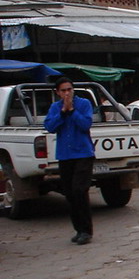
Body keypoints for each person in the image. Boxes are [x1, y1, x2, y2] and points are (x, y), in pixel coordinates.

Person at [43, 76, 95, 245]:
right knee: (70, 193)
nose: (67, 93)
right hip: (65, 155)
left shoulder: (84, 104)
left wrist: (72, 110)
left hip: (83, 153)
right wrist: (63, 112)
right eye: (63, 90)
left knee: (80, 190)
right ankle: (78, 229)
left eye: (69, 90)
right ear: (58, 92)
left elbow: (85, 124)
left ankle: (86, 230)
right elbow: (50, 126)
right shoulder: (54, 107)